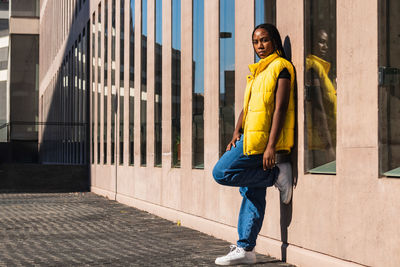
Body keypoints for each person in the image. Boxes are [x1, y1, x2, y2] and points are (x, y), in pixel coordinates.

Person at [212, 23, 295, 265]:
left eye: (265, 40)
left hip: (260, 143)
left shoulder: (282, 67)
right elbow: (247, 108)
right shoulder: (257, 71)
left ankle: (275, 175)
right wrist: (236, 130)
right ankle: (246, 249)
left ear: (275, 41)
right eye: (256, 42)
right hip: (248, 137)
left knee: (221, 172)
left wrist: (271, 147)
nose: (260, 45)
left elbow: (280, 108)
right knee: (251, 193)